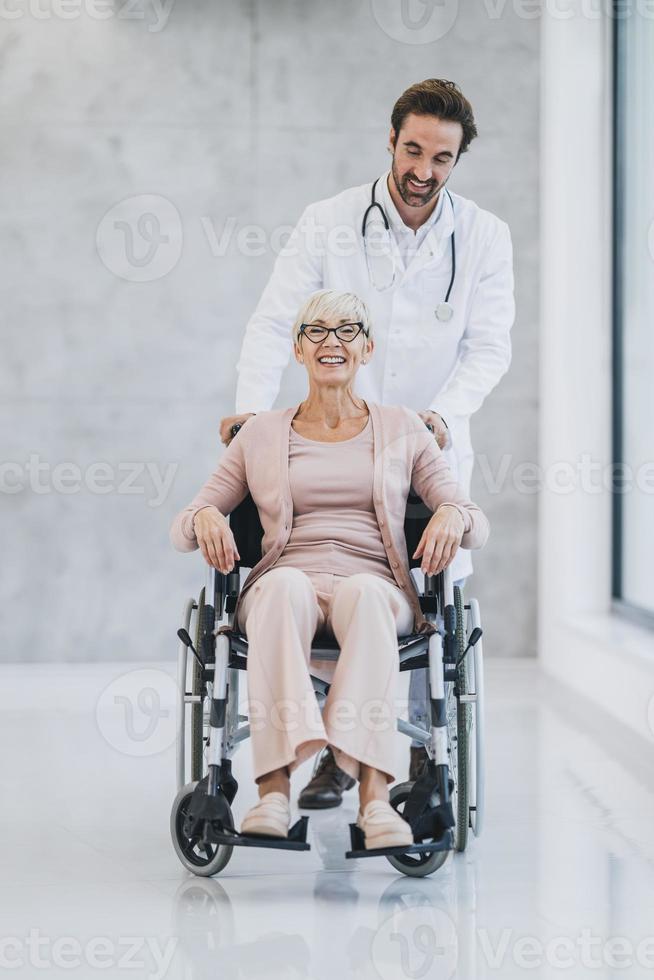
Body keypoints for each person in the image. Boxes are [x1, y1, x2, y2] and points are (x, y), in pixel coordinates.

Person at [219, 78, 514, 805]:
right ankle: (324, 750)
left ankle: (411, 766)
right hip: (332, 445)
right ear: (391, 141)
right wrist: (253, 414)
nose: (423, 169)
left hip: (430, 450)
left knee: (420, 602)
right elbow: (273, 321)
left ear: (457, 160)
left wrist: (439, 418)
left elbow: (490, 347)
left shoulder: (483, 236)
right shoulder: (328, 221)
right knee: (318, 584)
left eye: (441, 158)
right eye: (413, 149)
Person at [171, 289, 489, 848]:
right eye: (316, 331)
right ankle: (272, 793)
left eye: (347, 331)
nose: (331, 342)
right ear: (298, 349)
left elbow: (474, 520)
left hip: (374, 583)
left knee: (365, 595)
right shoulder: (261, 434)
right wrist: (203, 521)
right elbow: (185, 522)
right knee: (281, 590)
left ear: (367, 347)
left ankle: (373, 801)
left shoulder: (403, 429)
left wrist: (449, 515)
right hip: (285, 579)